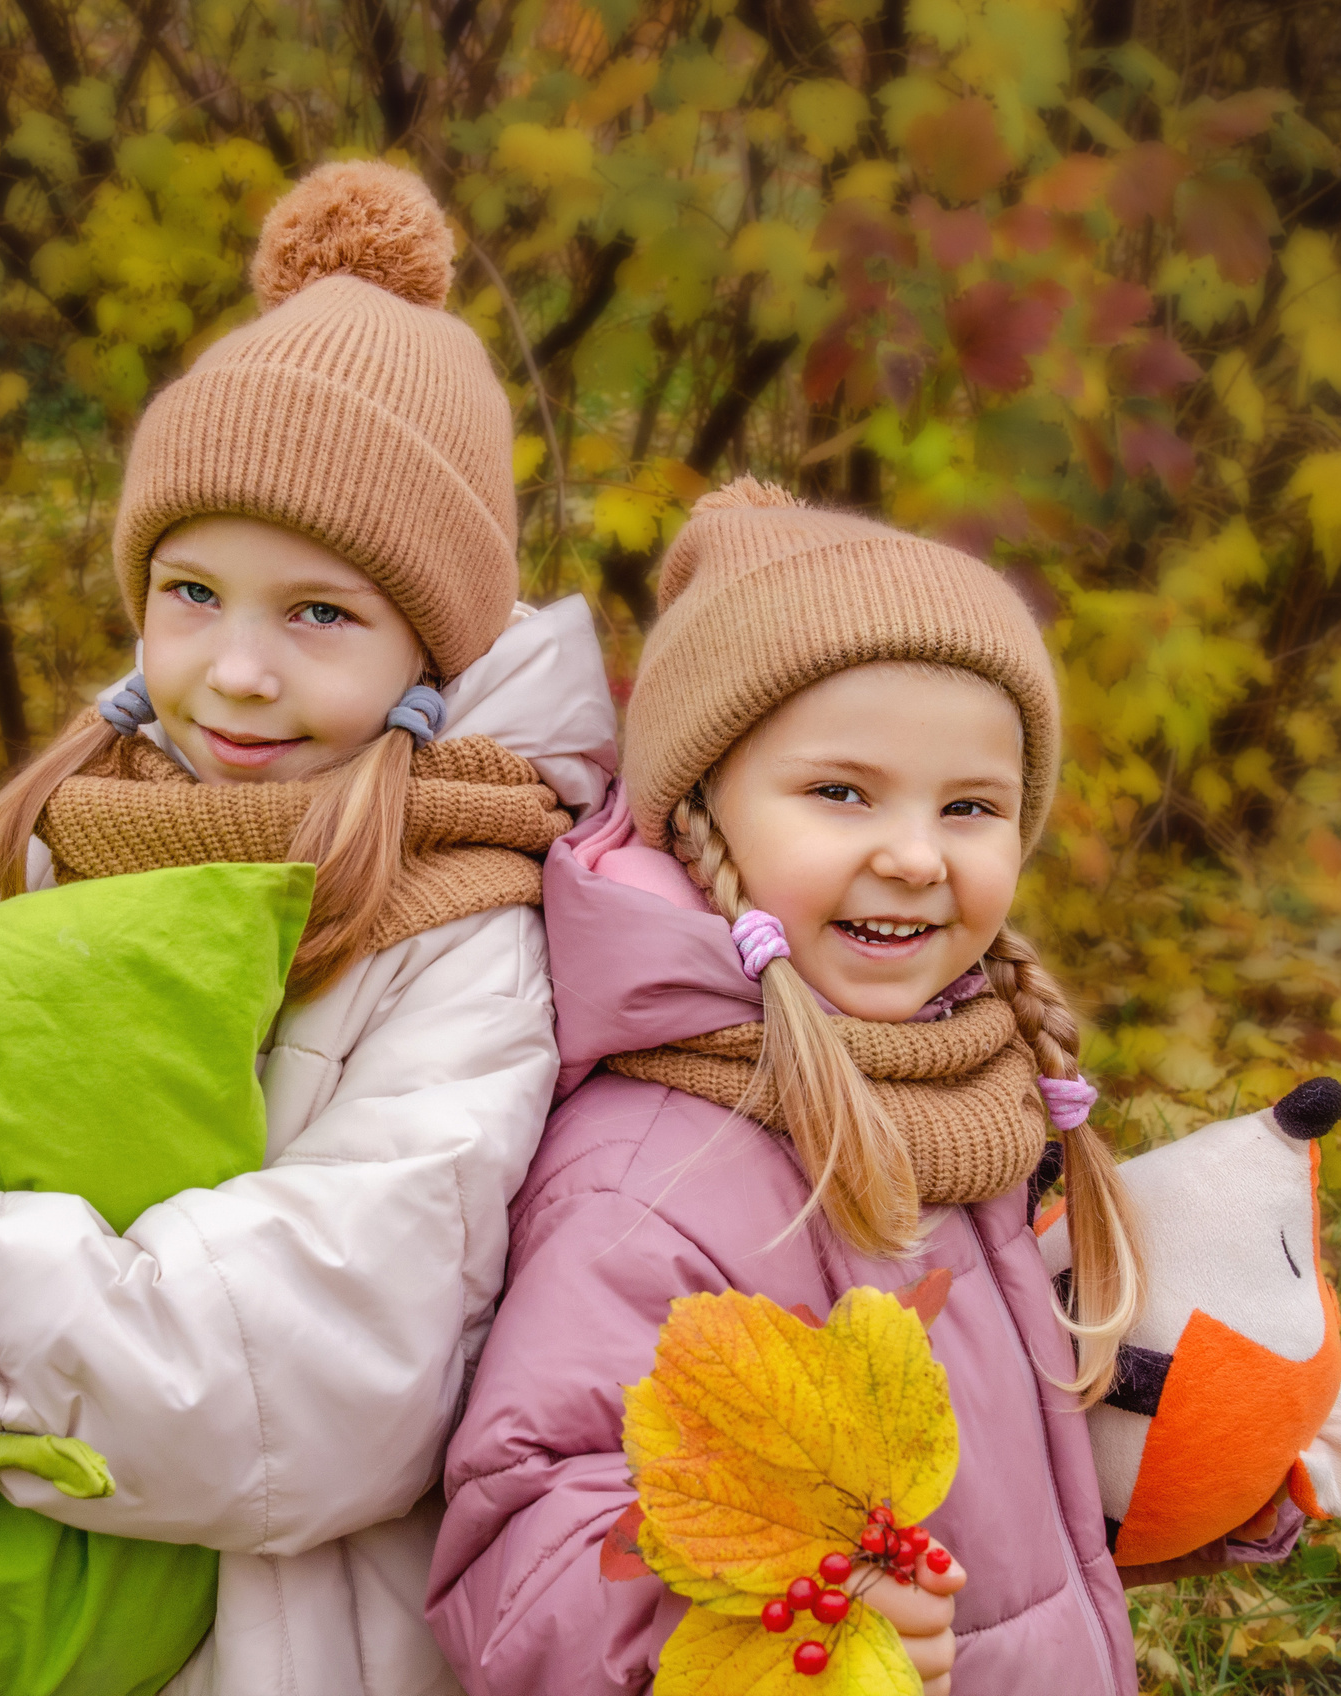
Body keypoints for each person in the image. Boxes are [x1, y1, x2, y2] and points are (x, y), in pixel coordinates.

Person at [0, 160, 618, 1695]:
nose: (238, 674)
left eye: (321, 613)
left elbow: (326, 1367)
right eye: (192, 592)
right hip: (17, 1607)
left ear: (440, 636)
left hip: (278, 1641)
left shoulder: (469, 933)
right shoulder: (94, 839)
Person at [427, 478, 1147, 1696]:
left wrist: (1202, 1476)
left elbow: (1018, 1494)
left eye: (969, 807)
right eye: (841, 793)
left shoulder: (961, 1088)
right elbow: (528, 1532)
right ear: (700, 807)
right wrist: (776, 1630)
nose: (915, 855)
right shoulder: (659, 1178)